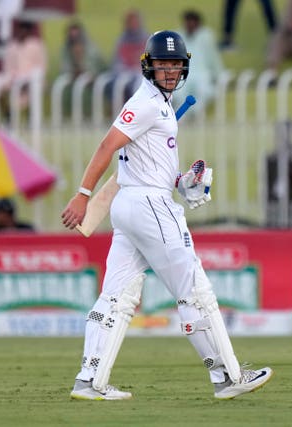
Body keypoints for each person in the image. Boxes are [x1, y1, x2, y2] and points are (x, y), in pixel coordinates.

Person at [61, 30, 273, 401]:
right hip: (149, 208)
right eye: (163, 64)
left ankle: (89, 380)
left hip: (133, 205)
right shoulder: (145, 103)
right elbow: (107, 145)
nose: (170, 71)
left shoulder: (159, 104)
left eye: (175, 64)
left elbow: (152, 167)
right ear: (149, 66)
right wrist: (82, 195)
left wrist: (185, 181)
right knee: (195, 291)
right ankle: (228, 377)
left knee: (116, 297)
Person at [0, 19, 46, 118]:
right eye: (20, 30)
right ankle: (7, 113)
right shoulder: (12, 45)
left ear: (29, 32)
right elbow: (7, 66)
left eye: (24, 30)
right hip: (13, 77)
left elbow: (42, 67)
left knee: (30, 91)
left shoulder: (36, 45)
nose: (21, 33)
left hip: (31, 79)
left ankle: (31, 118)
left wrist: (29, 80)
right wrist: (11, 78)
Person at [174, 9, 224, 114]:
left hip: (203, 75)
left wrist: (219, 75)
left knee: (203, 92)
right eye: (188, 21)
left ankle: (196, 118)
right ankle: (181, 119)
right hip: (183, 75)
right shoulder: (178, 36)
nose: (190, 24)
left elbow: (214, 58)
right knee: (179, 93)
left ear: (198, 23)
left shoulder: (207, 36)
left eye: (193, 21)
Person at [108, 9, 149, 102]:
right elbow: (116, 62)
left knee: (139, 83)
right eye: (130, 22)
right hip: (124, 73)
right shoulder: (121, 40)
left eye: (135, 21)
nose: (133, 24)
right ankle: (120, 112)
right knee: (118, 83)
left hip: (141, 73)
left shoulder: (146, 39)